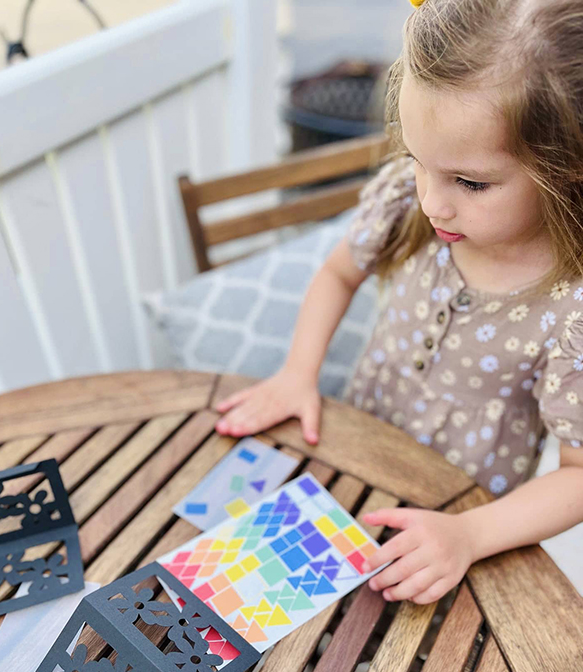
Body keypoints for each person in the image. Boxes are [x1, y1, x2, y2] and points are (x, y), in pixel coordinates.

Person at [215, 0, 583, 604]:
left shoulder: (570, 309)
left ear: (567, 166)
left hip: (456, 523)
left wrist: (469, 534)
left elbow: (576, 475)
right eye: (416, 159)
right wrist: (297, 373)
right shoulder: (410, 204)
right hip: (350, 464)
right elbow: (337, 275)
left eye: (470, 182)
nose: (433, 202)